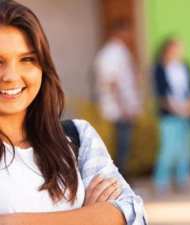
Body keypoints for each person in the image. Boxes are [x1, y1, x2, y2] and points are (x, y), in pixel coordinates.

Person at [0, 1, 148, 225]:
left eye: (27, 59)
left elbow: (133, 213)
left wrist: (12, 221)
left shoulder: (76, 137)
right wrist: (90, 216)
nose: (11, 76)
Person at [94, 20, 142, 177]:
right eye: (128, 32)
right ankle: (120, 183)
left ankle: (123, 181)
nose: (131, 36)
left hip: (124, 107)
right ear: (119, 32)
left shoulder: (121, 51)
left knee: (125, 148)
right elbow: (112, 83)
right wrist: (124, 107)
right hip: (119, 109)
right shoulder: (111, 53)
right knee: (121, 148)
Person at [152, 38, 190, 193]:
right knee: (168, 149)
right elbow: (161, 94)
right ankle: (161, 182)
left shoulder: (184, 66)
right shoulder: (159, 68)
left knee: (186, 150)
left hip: (187, 114)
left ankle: (183, 180)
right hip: (169, 115)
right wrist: (177, 109)